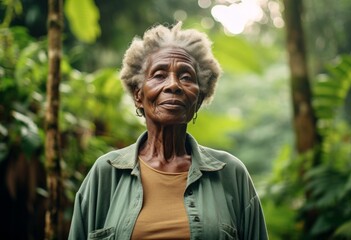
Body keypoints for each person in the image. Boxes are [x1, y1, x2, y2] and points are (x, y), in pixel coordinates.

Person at [68, 22, 268, 240]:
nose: (173, 85)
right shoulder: (106, 173)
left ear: (199, 99)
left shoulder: (231, 174)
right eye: (159, 75)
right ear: (138, 95)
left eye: (186, 77)